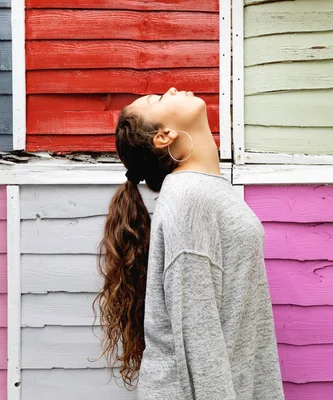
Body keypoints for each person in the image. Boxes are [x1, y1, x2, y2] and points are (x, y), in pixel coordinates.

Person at [94, 87, 284, 400]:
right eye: (158, 100)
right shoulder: (189, 197)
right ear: (164, 136)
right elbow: (198, 332)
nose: (169, 90)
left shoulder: (205, 190)